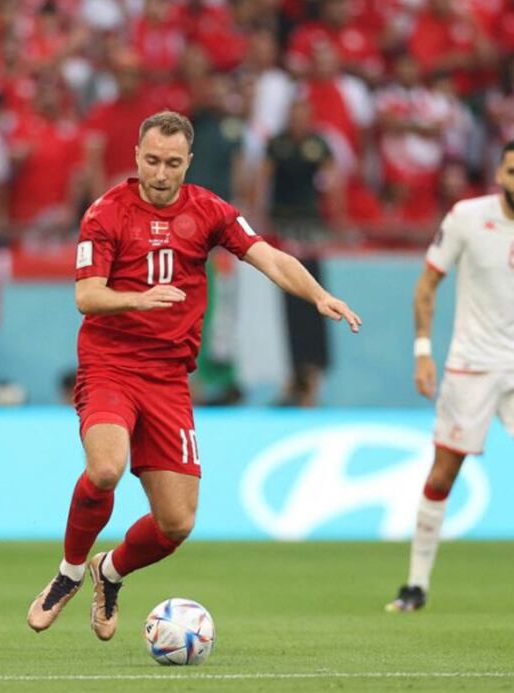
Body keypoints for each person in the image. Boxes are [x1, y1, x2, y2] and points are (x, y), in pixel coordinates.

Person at [26, 110, 361, 640]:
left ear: (188, 162)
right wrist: (139, 299)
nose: (161, 174)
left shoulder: (208, 210)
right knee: (106, 469)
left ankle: (108, 571)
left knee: (176, 524)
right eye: (152, 161)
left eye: (172, 163)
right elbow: (86, 295)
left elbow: (268, 256)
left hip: (168, 378)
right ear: (137, 157)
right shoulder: (105, 212)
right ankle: (68, 574)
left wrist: (318, 295)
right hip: (111, 364)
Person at [386, 138, 514, 615]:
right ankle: (415, 584)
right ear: (499, 175)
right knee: (444, 472)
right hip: (471, 363)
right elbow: (427, 284)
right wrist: (423, 351)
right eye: (513, 172)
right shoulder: (466, 217)